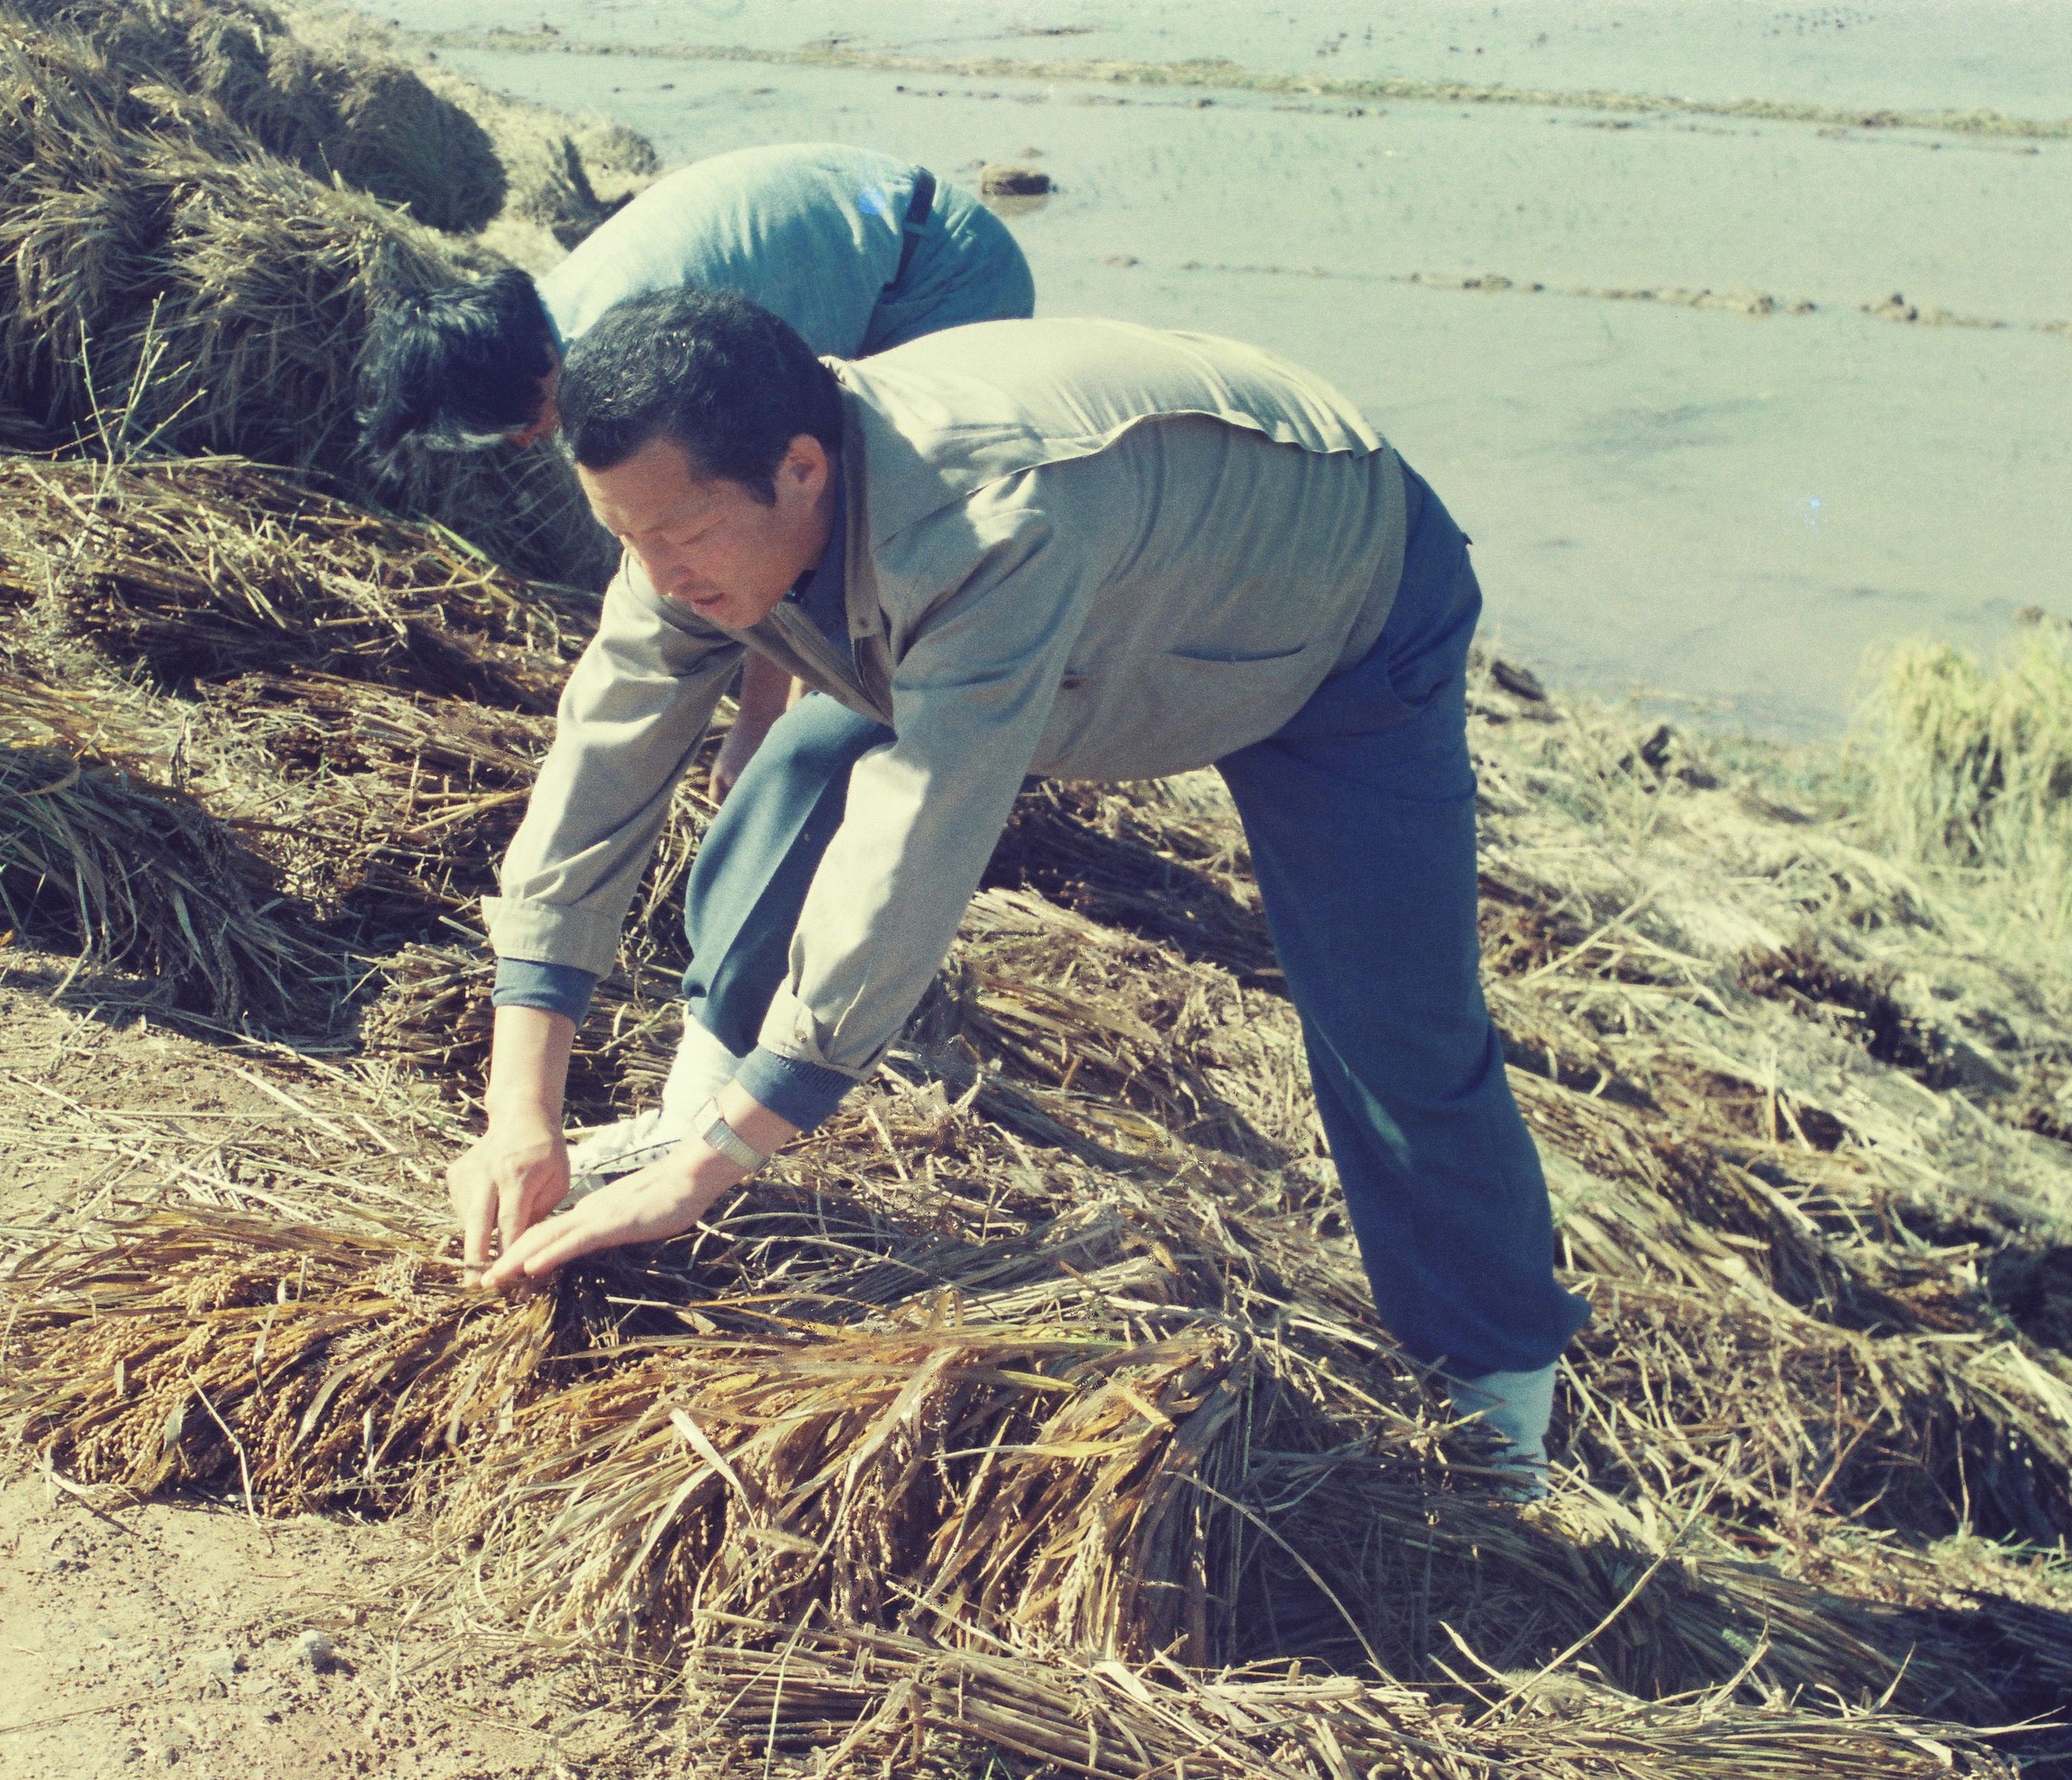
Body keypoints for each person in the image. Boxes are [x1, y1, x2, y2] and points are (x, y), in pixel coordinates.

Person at [443, 288, 1591, 1485]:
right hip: (1115, 576)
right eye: (623, 536)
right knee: (793, 780)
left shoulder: (985, 525)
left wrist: (709, 1172)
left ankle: (1497, 1390)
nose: (654, 573)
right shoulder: (693, 513)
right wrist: (520, 1110)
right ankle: (701, 1090)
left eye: (675, 537)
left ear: (797, 468)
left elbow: (913, 851)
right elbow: (598, 768)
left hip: (1329, 605)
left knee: (1394, 1022)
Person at [361, 141, 1033, 826]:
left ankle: (932, 751)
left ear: (529, 375)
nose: (526, 441)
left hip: (938, 266)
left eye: (517, 424)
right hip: (878, 215)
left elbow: (769, 530)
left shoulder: (631, 353)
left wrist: (756, 724)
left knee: (878, 525)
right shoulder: (561, 313)